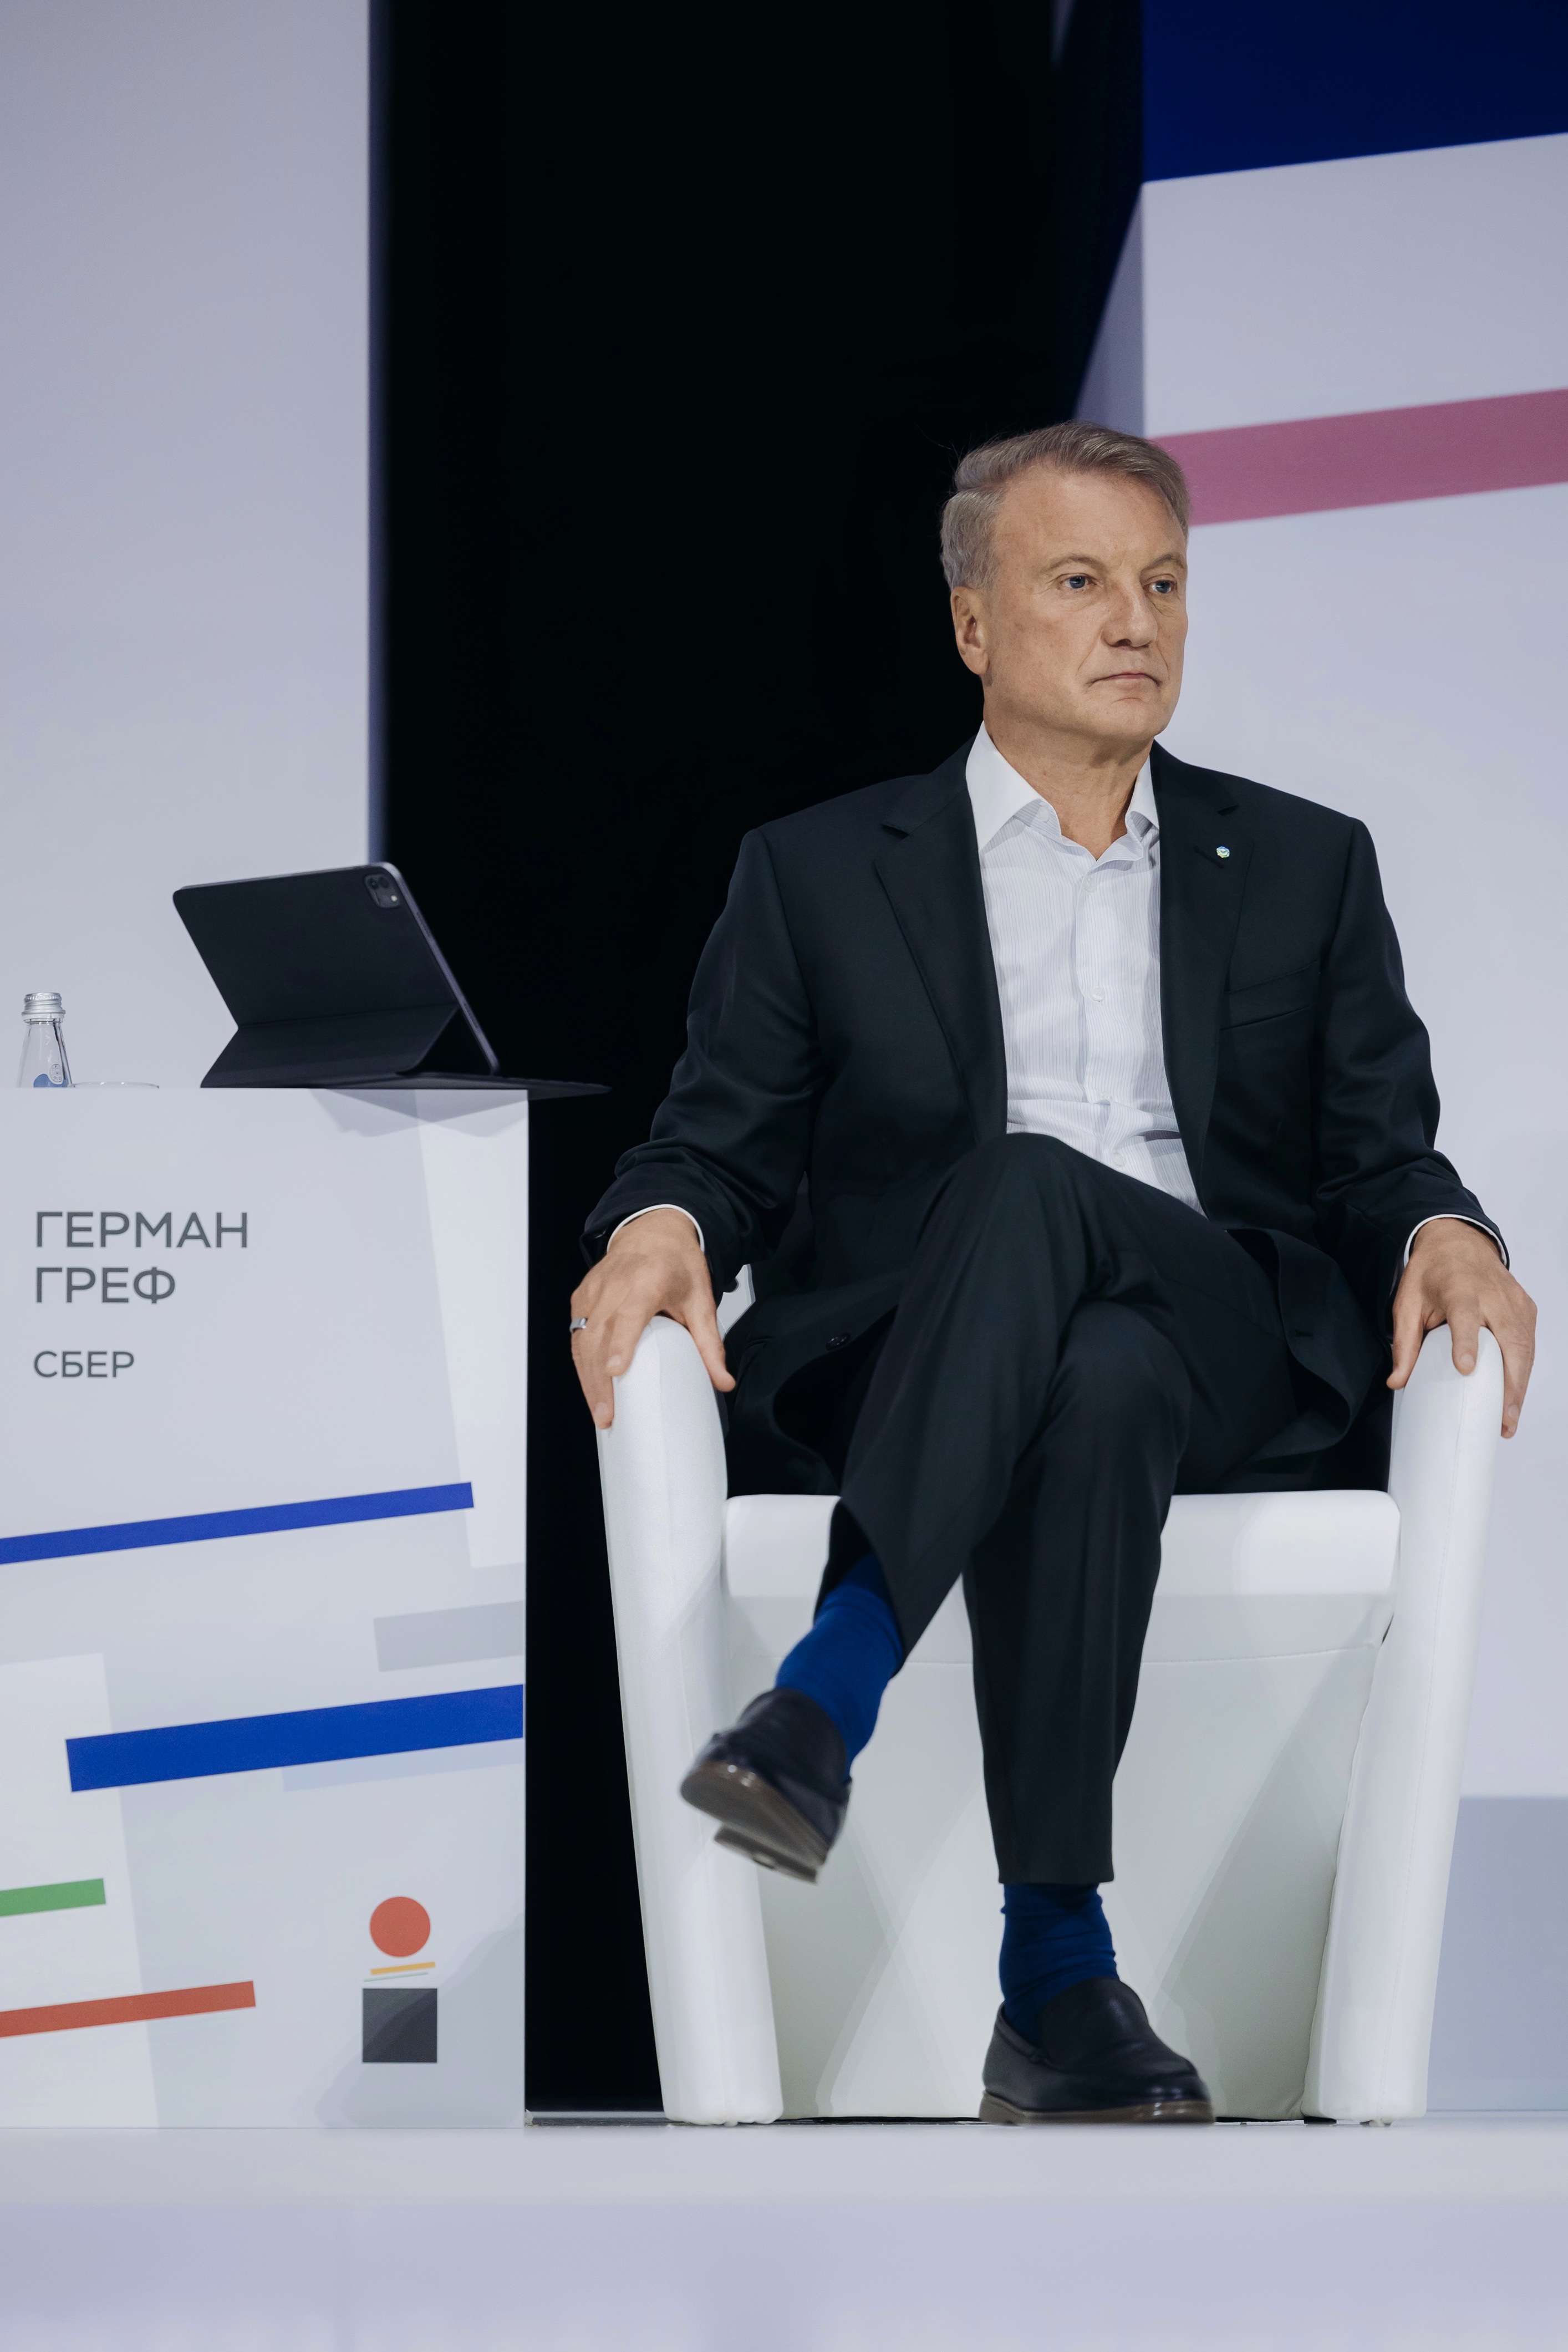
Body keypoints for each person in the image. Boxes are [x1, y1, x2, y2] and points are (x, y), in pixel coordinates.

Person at [571, 422, 1536, 2125]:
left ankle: (830, 1685)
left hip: (1226, 1326)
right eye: (1079, 581)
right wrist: (658, 1225)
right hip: (928, 1347)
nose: (1134, 620)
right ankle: (1057, 1979)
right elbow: (715, 1146)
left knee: (1051, 1207)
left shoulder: (1304, 862)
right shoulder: (816, 871)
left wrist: (1447, 1233)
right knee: (1091, 1367)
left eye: (1161, 583)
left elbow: (1378, 1158)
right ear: (971, 623)